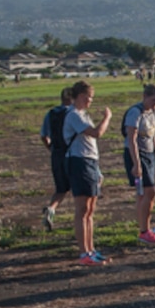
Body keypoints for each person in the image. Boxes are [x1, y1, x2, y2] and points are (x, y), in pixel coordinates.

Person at [61, 81, 113, 265]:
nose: (90, 100)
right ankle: (84, 253)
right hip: (78, 162)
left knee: (90, 209)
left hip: (90, 161)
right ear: (80, 96)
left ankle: (90, 249)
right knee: (82, 209)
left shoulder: (83, 115)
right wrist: (107, 118)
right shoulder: (74, 115)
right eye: (88, 96)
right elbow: (96, 133)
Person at [131, 84, 155, 244]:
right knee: (149, 192)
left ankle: (145, 227)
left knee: (143, 194)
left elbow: (153, 137)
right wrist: (136, 163)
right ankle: (144, 231)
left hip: (150, 154)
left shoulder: (152, 112)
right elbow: (131, 139)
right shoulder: (135, 112)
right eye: (153, 100)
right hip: (139, 155)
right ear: (145, 96)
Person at [40, 86, 72, 230]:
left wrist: (51, 148)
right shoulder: (74, 113)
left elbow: (43, 136)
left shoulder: (51, 113)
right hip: (73, 154)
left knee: (61, 188)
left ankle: (51, 209)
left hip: (57, 153)